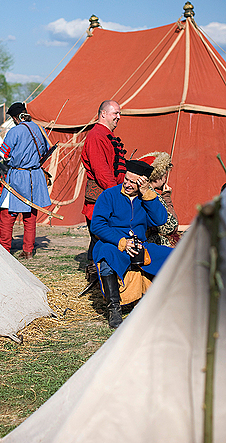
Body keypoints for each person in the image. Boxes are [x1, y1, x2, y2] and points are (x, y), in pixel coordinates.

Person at [91, 159, 173, 329]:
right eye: (126, 179)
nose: (127, 184)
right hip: (113, 242)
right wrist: (121, 241)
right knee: (107, 253)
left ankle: (163, 301)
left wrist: (148, 194)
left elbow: (161, 219)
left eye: (133, 182)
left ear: (142, 182)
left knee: (171, 255)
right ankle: (114, 309)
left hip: (140, 244)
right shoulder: (109, 195)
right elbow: (97, 225)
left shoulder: (147, 198)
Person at [81, 100, 127, 286]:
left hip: (109, 195)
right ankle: (95, 277)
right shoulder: (96, 136)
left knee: (106, 238)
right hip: (101, 199)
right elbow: (102, 171)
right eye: (115, 113)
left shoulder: (106, 135)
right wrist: (116, 195)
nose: (118, 117)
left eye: (119, 113)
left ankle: (101, 278)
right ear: (103, 114)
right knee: (100, 237)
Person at [0, 102, 51, 259]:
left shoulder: (15, 130)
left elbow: (3, 154)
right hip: (35, 176)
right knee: (30, 216)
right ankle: (28, 250)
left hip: (18, 176)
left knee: (7, 215)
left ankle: (4, 249)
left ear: (15, 117)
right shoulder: (38, 128)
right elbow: (46, 151)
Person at [139, 151, 179, 247]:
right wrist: (166, 198)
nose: (165, 178)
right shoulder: (153, 196)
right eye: (164, 175)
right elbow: (171, 227)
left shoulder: (138, 192)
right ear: (157, 178)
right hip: (153, 243)